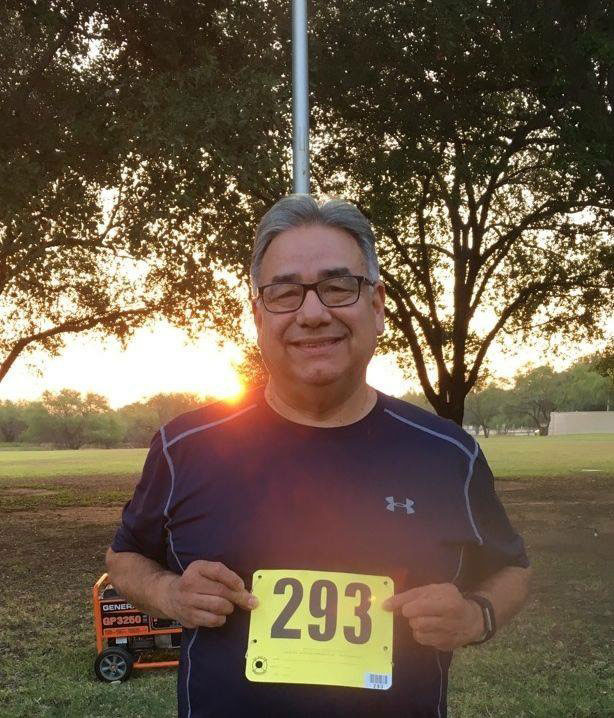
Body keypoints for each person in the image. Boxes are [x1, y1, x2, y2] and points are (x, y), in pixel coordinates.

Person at [106, 194, 531, 717]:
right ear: (258, 316)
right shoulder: (184, 446)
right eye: (284, 293)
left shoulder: (449, 455)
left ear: (376, 306)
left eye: (337, 287)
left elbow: (511, 568)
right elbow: (125, 557)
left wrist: (475, 617)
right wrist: (170, 593)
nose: (312, 313)